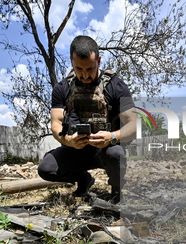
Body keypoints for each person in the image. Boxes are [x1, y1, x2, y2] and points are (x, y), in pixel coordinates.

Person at [37, 35, 137, 203]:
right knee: (46, 169)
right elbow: (56, 124)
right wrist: (68, 140)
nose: (85, 76)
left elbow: (134, 124)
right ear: (71, 61)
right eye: (79, 69)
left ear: (98, 60)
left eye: (90, 69)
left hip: (105, 149)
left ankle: (116, 192)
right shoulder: (61, 89)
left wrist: (112, 137)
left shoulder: (117, 86)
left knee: (116, 154)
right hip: (76, 148)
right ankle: (84, 179)